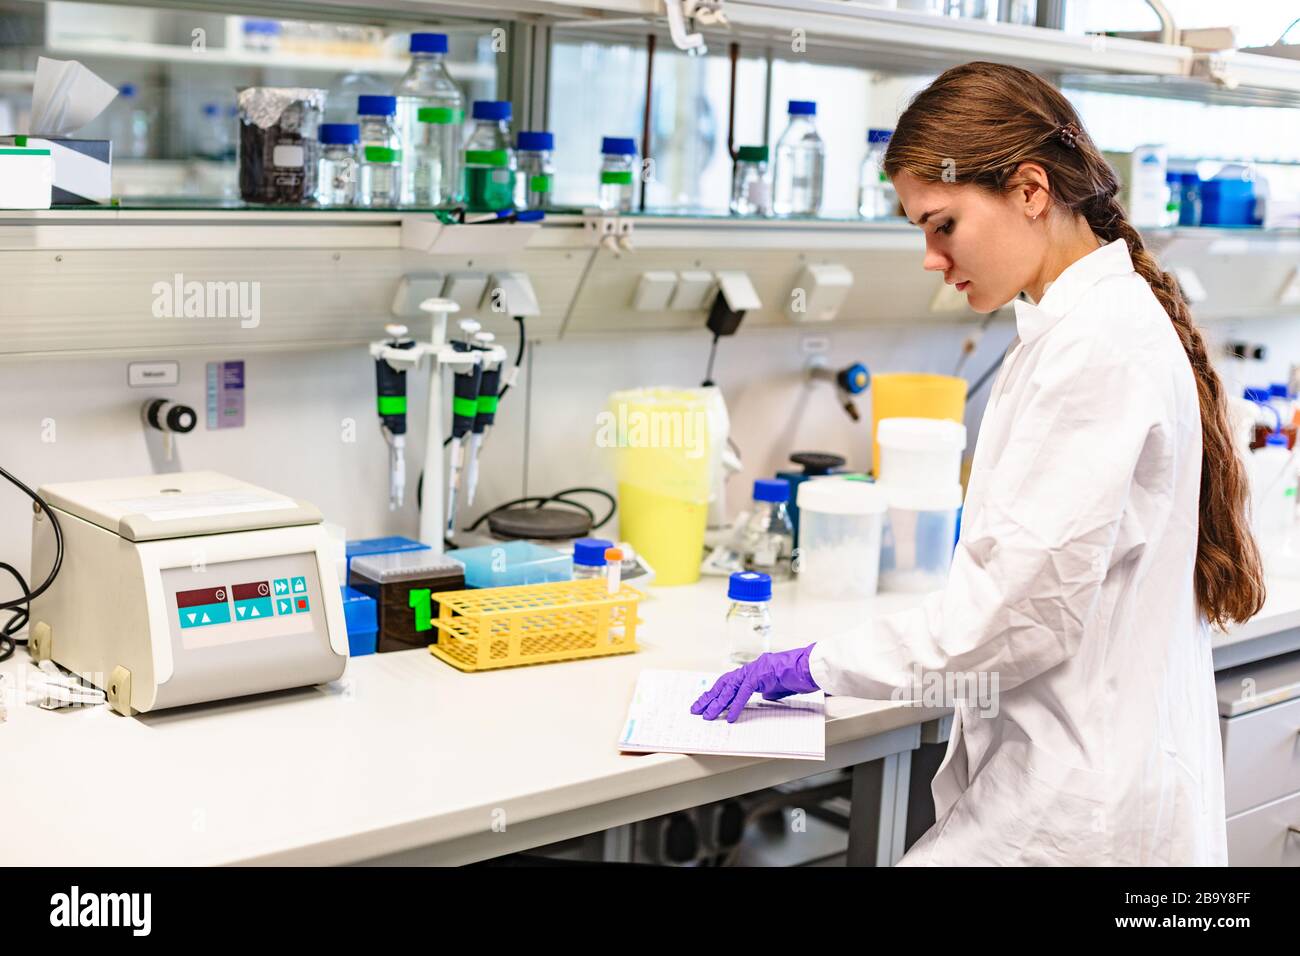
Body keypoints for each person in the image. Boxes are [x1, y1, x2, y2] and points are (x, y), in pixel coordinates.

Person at [691, 62, 1265, 866]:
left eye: (943, 224)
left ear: (1030, 190)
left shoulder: (1095, 348)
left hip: (1077, 815)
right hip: (1073, 785)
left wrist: (813, 664)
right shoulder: (1083, 325)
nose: (931, 257)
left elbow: (1006, 623)